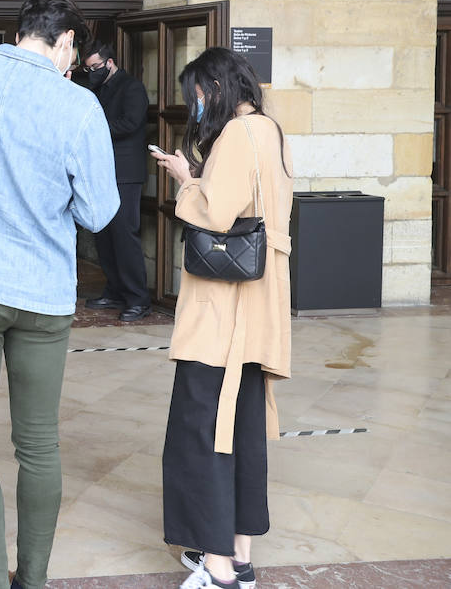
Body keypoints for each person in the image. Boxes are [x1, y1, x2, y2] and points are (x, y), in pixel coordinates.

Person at [0, 0, 119, 589]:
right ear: (65, 41)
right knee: (38, 445)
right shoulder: (79, 106)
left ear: (22, 31)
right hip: (42, 293)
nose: (72, 65)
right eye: (73, 54)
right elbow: (97, 212)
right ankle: (31, 580)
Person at [151, 48, 293, 589]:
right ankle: (239, 554)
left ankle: (216, 568)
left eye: (199, 94)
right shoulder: (270, 130)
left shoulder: (236, 136)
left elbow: (216, 211)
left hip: (223, 316)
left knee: (203, 430)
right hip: (259, 310)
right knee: (243, 431)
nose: (198, 104)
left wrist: (186, 178)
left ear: (215, 86)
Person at [79, 39, 152, 321]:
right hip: (100, 172)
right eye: (88, 68)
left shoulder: (131, 87)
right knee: (104, 236)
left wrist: (94, 130)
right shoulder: (95, 88)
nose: (92, 72)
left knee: (124, 235)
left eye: (96, 67)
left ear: (110, 62)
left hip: (124, 174)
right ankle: (114, 290)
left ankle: (138, 298)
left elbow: (131, 123)